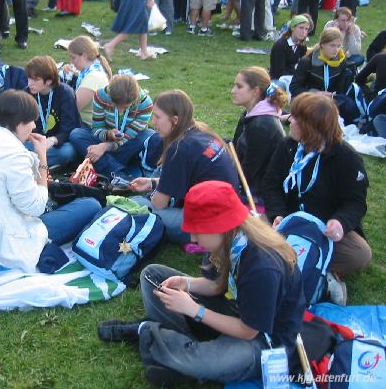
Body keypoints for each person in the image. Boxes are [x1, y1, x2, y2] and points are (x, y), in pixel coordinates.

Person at [98, 180, 305, 387]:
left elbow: (248, 331)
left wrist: (194, 310)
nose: (193, 239)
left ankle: (148, 332)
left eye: (198, 231)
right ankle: (178, 351)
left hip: (262, 340)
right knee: (152, 276)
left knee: (201, 362)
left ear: (220, 226)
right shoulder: (235, 240)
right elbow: (218, 285)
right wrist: (186, 284)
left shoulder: (262, 266)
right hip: (234, 309)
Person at [0, 90, 101, 274]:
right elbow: (36, 208)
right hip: (2, 244)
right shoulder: (15, 155)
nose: (34, 125)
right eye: (32, 121)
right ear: (20, 124)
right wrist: (42, 158)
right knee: (90, 205)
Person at [263, 92, 371, 303]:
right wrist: (278, 215)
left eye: (296, 117)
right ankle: (307, 267)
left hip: (322, 230)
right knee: (250, 230)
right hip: (287, 221)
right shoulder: (288, 146)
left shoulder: (346, 158)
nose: (290, 120)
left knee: (360, 254)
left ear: (310, 126)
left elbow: (355, 202)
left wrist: (340, 222)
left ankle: (307, 265)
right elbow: (271, 185)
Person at [128, 90, 238, 244]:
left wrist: (154, 194)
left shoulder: (180, 148)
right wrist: (153, 183)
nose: (153, 122)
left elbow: (159, 203)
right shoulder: (201, 131)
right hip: (229, 212)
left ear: (175, 120)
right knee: (159, 173)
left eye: (158, 117)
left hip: (212, 225)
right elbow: (192, 176)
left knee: (136, 205)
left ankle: (200, 244)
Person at [70, 75, 155, 179]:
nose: (120, 111)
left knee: (149, 134)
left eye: (126, 107)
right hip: (103, 142)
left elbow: (130, 136)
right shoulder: (101, 95)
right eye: (116, 106)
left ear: (135, 100)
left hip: (127, 146)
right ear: (110, 95)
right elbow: (97, 129)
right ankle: (119, 173)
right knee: (76, 134)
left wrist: (105, 147)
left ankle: (108, 167)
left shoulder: (145, 104)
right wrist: (108, 134)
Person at [232, 67, 287, 199]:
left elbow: (247, 173)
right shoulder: (250, 115)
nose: (233, 91)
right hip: (249, 185)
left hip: (257, 196)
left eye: (239, 87)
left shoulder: (262, 126)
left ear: (255, 91)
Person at [25, 55, 80, 167]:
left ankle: (27, 161)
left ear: (49, 81)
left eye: (35, 79)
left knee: (68, 152)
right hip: (35, 141)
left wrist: (52, 140)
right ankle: (33, 160)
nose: (29, 83)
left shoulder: (65, 93)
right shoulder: (27, 93)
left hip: (58, 143)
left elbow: (69, 129)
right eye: (29, 78)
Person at [289, 27, 353, 99]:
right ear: (322, 44)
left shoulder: (341, 62)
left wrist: (334, 96)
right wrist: (315, 94)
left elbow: (340, 90)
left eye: (339, 46)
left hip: (330, 101)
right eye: (332, 45)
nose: (336, 50)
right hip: (308, 100)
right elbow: (294, 88)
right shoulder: (307, 61)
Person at [67, 36, 112, 127]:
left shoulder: (93, 78)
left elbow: (72, 108)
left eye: (73, 58)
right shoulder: (89, 71)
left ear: (84, 56)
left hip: (89, 125)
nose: (71, 61)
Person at [269, 14, 311, 80]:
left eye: (306, 29)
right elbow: (279, 71)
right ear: (293, 28)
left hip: (293, 78)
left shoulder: (302, 47)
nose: (303, 32)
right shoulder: (280, 45)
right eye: (301, 28)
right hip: (278, 79)